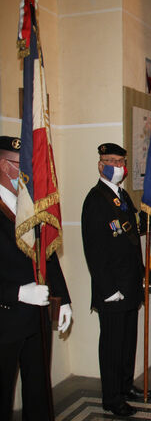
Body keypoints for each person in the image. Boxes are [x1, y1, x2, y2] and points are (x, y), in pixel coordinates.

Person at [0, 136, 72, 420]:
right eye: (22, 166)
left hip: (36, 316)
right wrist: (16, 292)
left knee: (39, 391)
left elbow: (49, 255)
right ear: (5, 166)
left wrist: (63, 300)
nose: (29, 174)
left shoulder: (30, 204)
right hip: (5, 316)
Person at [81, 143, 151, 417]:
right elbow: (94, 250)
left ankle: (124, 386)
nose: (118, 167)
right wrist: (108, 289)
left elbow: (133, 231)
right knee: (111, 345)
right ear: (100, 165)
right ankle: (112, 398)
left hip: (130, 284)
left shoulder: (122, 196)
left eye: (121, 162)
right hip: (112, 290)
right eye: (111, 161)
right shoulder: (96, 199)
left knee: (127, 341)